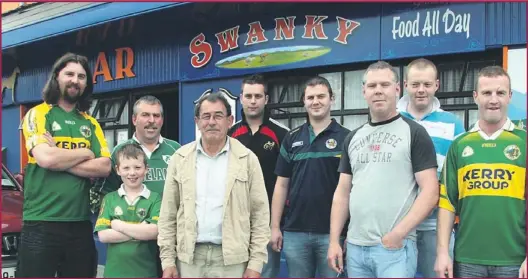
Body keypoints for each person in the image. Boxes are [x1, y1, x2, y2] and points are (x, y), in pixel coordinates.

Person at [327, 61, 439, 278]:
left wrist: (398, 234)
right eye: (372, 86)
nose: (378, 90)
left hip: (394, 249)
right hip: (356, 249)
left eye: (385, 85)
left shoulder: (414, 133)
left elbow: (430, 191)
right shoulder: (352, 137)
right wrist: (334, 241)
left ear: (397, 89)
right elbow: (342, 193)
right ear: (364, 91)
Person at [18, 52, 112, 278]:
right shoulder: (38, 114)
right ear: (56, 77)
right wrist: (85, 152)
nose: (75, 80)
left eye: (81, 76)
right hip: (41, 222)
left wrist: (60, 158)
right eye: (69, 74)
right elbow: (45, 159)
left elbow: (105, 166)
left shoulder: (90, 123)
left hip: (79, 224)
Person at [158, 92, 270, 278]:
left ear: (230, 120)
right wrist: (168, 260)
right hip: (190, 258)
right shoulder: (180, 159)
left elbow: (260, 214)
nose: (212, 122)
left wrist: (256, 263)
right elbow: (168, 213)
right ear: (197, 121)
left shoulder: (247, 159)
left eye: (218, 116)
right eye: (206, 116)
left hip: (233, 259)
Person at [434, 66, 527, 278]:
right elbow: (447, 203)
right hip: (467, 260)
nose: (493, 99)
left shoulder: (524, 142)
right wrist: (442, 253)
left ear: (509, 96)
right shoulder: (459, 145)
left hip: (514, 260)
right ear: (475, 96)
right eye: (486, 93)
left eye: (500, 93)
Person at [270, 76, 350, 278]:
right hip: (295, 232)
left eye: (321, 96)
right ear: (304, 102)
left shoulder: (347, 138)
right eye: (310, 97)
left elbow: (353, 189)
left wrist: (351, 232)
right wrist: (274, 227)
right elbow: (281, 185)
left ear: (332, 99)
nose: (316, 101)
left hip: (333, 234)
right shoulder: (292, 137)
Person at [397, 58, 465, 278]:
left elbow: (458, 175)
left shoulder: (453, 124)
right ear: (405, 85)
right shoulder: (391, 120)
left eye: (427, 84)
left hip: (437, 225)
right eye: (415, 84)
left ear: (437, 85)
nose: (421, 90)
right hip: (397, 222)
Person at [228, 74, 289, 278]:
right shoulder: (229, 134)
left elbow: (285, 183)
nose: (253, 101)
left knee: (265, 273)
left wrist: (276, 225)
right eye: (248, 96)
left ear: (266, 99)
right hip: (234, 223)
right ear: (241, 98)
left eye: (258, 96)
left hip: (267, 223)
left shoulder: (282, 134)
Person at [94, 143, 161, 278]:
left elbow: (155, 232)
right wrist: (140, 231)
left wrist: (119, 226)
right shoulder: (110, 198)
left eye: (137, 167)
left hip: (146, 273)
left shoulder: (155, 198)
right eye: (126, 168)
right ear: (118, 170)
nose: (132, 173)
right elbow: (104, 236)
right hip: (114, 273)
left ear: (146, 169)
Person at [97, 95, 181, 196]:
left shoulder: (176, 149)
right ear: (134, 120)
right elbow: (105, 194)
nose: (151, 120)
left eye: (156, 116)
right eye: (145, 115)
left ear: (162, 120)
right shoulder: (120, 151)